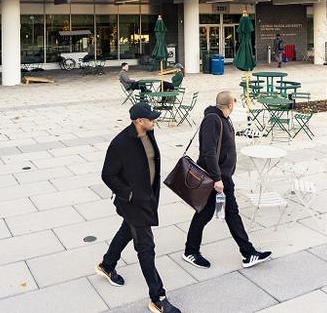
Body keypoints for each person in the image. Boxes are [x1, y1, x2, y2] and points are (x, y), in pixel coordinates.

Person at [97, 103, 182, 313]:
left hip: (148, 198)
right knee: (146, 248)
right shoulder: (120, 143)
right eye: (151, 119)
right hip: (133, 203)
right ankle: (157, 298)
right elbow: (107, 174)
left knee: (127, 230)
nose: (155, 121)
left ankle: (107, 265)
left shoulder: (149, 133)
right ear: (138, 121)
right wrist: (129, 194)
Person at [182, 91, 272, 270]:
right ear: (230, 105)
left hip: (222, 177)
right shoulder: (213, 120)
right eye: (234, 103)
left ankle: (246, 252)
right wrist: (217, 178)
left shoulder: (221, 118)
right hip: (216, 178)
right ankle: (246, 253)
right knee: (225, 214)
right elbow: (208, 152)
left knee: (213, 214)